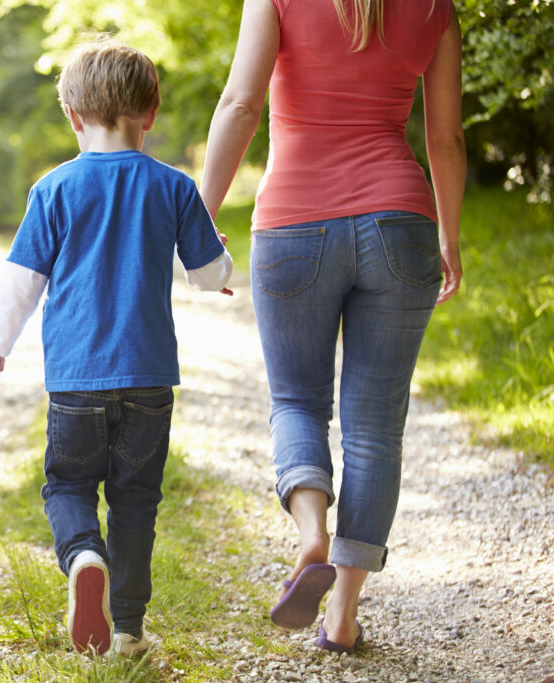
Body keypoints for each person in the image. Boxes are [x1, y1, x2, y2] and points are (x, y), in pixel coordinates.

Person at [199, 0, 465, 653]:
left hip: (293, 224)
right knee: (375, 427)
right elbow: (445, 139)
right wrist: (450, 237)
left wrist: (198, 220)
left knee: (296, 400)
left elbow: (240, 104)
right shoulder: (436, 8)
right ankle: (342, 614)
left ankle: (310, 531)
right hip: (400, 225)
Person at [0, 37, 233, 657]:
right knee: (136, 500)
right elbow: (209, 274)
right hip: (149, 380)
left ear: (72, 115)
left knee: (68, 486)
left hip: (77, 382)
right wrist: (219, 266)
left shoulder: (53, 190)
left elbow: (21, 287)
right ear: (152, 114)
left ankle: (84, 554)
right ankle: (130, 630)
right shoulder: (173, 187)